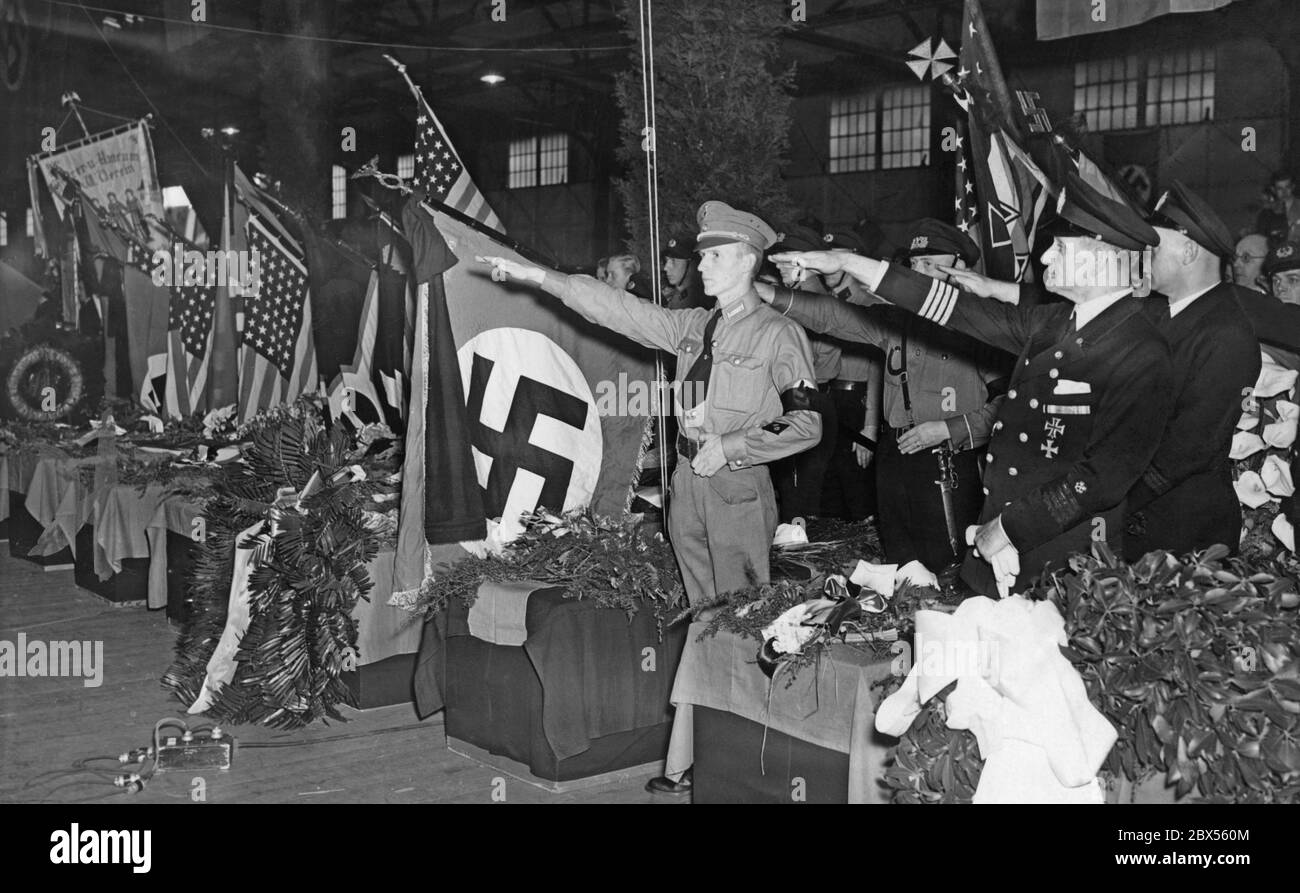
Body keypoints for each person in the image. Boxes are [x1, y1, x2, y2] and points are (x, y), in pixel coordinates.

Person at [480, 201, 822, 795]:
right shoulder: (696, 327)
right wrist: (542, 278)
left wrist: (732, 446)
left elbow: (808, 424)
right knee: (704, 620)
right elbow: (620, 309)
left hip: (738, 491)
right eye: (701, 255)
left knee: (744, 622)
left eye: (713, 256)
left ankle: (745, 758)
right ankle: (690, 756)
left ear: (746, 261)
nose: (700, 264)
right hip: (688, 489)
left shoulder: (778, 334)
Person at [772, 174, 1175, 598]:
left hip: (1062, 556)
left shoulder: (1140, 351)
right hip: (1003, 542)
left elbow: (1102, 477)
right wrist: (849, 263)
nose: (1046, 258)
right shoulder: (1056, 322)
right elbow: (952, 309)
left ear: (1099, 258)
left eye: (1060, 248)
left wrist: (1008, 528)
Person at [761, 219, 1009, 575]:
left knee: (950, 565)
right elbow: (832, 316)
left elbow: (1009, 406)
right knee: (901, 564)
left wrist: (948, 428)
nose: (916, 273)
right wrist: (768, 293)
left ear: (958, 267)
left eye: (929, 264)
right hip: (894, 459)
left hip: (947, 462)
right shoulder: (897, 321)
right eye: (914, 265)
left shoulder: (981, 327)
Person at [1114, 182, 1262, 560]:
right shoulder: (1155, 311)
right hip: (1138, 520)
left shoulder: (1228, 334)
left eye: (1154, 245)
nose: (1143, 254)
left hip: (1180, 535)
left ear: (1189, 251)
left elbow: (1189, 447)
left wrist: (1108, 499)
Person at [767, 224, 841, 524]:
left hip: (805, 398)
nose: (780, 267)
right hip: (805, 398)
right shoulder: (795, 299)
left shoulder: (808, 303)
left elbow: (807, 360)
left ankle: (801, 560)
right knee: (795, 489)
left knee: (798, 492)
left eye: (787, 260)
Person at [1256, 171, 1300, 246]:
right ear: (1273, 189)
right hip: (1276, 254)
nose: (1284, 192)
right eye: (1280, 188)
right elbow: (1261, 240)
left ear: (1293, 187)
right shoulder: (1266, 214)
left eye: (1287, 187)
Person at [661, 234, 705, 309]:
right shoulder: (680, 294)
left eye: (673, 261)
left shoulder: (699, 301)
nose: (665, 268)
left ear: (691, 264)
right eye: (666, 261)